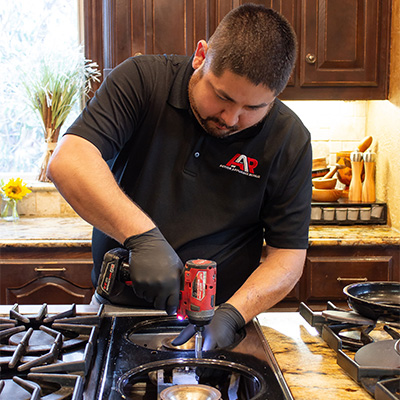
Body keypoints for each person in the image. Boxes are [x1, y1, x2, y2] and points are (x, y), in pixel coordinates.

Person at [47, 4, 312, 350]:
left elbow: (288, 256)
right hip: (116, 310)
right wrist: (142, 238)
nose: (231, 118)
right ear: (201, 56)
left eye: (253, 108)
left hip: (219, 320)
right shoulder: (142, 80)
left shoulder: (289, 139)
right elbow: (68, 160)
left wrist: (234, 314)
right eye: (222, 96)